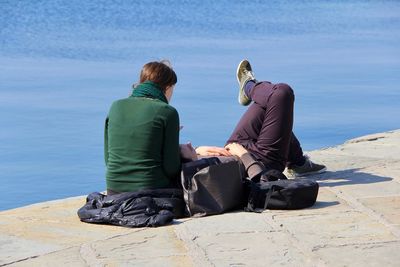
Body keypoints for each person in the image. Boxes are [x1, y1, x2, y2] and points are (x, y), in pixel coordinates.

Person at [196, 60, 326, 180]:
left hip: (234, 150)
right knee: (281, 94)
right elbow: (256, 178)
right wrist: (244, 155)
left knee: (269, 107)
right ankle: (249, 87)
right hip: (258, 163)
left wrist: (195, 151)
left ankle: (298, 163)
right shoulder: (186, 187)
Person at [104, 60, 199, 195]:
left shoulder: (115, 106)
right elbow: (171, 168)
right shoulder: (167, 112)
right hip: (152, 193)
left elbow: (109, 160)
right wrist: (186, 155)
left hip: (114, 191)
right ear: (168, 87)